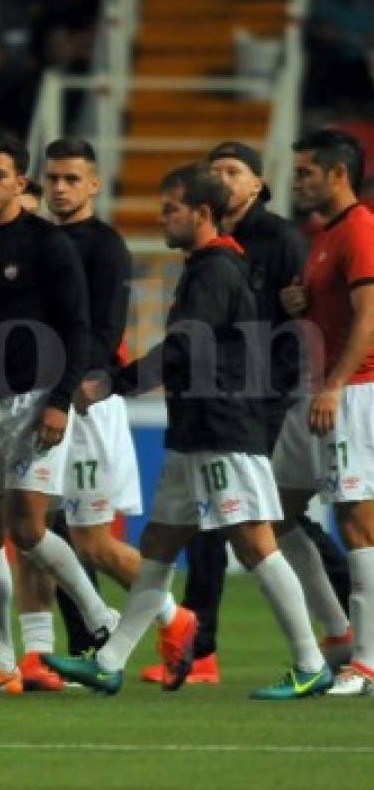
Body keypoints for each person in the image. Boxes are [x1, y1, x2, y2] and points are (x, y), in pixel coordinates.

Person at [45, 163, 332, 700]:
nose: (161, 217)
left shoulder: (215, 271)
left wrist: (114, 382)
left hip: (222, 428)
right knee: (157, 544)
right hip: (194, 431)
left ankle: (311, 661)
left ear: (202, 214)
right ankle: (110, 661)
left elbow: (185, 348)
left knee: (254, 545)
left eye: (170, 209)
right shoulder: (208, 267)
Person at [142, 141, 351, 685]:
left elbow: (297, 325)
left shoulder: (280, 239)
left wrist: (281, 391)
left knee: (269, 524)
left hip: (266, 400)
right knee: (235, 526)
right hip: (221, 404)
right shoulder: (207, 254)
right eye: (216, 172)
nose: (225, 179)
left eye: (234, 172)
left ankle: (332, 637)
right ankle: (202, 646)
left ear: (257, 183)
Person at [0, 132, 116, 695]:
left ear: (22, 184)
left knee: (26, 528)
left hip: (35, 399)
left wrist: (60, 401)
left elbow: (78, 327)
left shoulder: (48, 244)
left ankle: (100, 617)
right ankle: (2, 661)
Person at [31, 138, 191, 691]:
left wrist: (76, 387)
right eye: (52, 179)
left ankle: (173, 617)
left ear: (94, 185)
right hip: (41, 399)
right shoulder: (42, 241)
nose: (59, 189)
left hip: (83, 404)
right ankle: (39, 654)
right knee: (31, 530)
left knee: (92, 541)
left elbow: (103, 328)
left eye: (71, 180)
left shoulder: (104, 246)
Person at [271, 130, 374, 696]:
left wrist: (334, 386)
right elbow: (335, 310)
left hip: (350, 392)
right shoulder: (325, 235)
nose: (298, 180)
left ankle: (366, 662)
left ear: (338, 174)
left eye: (307, 171)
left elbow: (368, 319)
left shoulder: (360, 229)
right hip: (319, 391)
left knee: (358, 522)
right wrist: (301, 303)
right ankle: (337, 634)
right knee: (276, 511)